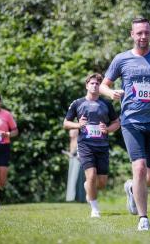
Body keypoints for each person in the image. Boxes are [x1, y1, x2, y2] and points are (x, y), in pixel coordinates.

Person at [100, 17, 150, 231]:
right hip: (131, 122)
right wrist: (112, 92)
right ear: (132, 35)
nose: (143, 36)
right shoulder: (121, 59)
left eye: (146, 32)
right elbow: (103, 86)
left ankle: (130, 188)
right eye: (139, 33)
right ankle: (143, 218)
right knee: (139, 167)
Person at [63, 73, 120, 218]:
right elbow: (66, 123)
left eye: (97, 84)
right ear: (87, 85)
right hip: (85, 145)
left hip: (102, 145)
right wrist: (78, 124)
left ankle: (88, 186)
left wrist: (107, 129)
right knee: (92, 175)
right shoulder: (77, 103)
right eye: (92, 83)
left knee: (101, 183)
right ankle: (95, 209)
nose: (94, 86)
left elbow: (117, 123)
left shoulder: (106, 104)